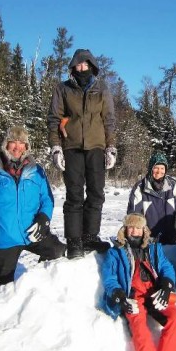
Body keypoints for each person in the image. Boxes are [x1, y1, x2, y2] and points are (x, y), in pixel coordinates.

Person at [0, 126, 66, 295]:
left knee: (59, 253)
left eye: (21, 143)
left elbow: (47, 199)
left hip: (32, 232)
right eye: (13, 143)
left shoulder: (36, 171)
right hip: (3, 238)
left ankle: (40, 291)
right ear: (5, 145)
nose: (17, 147)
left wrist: (43, 219)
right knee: (2, 290)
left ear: (27, 147)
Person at [47, 48, 116, 259]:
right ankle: (74, 240)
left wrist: (111, 147)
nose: (82, 68)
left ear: (92, 66)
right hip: (72, 147)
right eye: (78, 64)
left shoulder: (102, 89)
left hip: (96, 147)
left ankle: (90, 237)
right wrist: (56, 147)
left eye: (85, 64)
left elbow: (109, 120)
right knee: (74, 194)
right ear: (73, 66)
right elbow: (54, 119)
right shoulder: (63, 89)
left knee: (96, 193)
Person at [101, 213, 176, 351]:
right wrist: (120, 297)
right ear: (125, 229)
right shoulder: (115, 251)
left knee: (175, 319)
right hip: (132, 296)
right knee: (140, 330)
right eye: (131, 227)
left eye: (138, 227)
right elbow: (109, 278)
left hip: (154, 292)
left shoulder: (153, 248)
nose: (134, 231)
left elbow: (166, 267)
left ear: (144, 230)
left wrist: (166, 285)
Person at [127, 151, 176, 245]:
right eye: (156, 167)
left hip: (170, 239)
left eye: (162, 168)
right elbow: (134, 216)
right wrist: (136, 240)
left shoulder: (173, 186)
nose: (159, 171)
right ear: (150, 168)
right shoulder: (140, 187)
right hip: (147, 241)